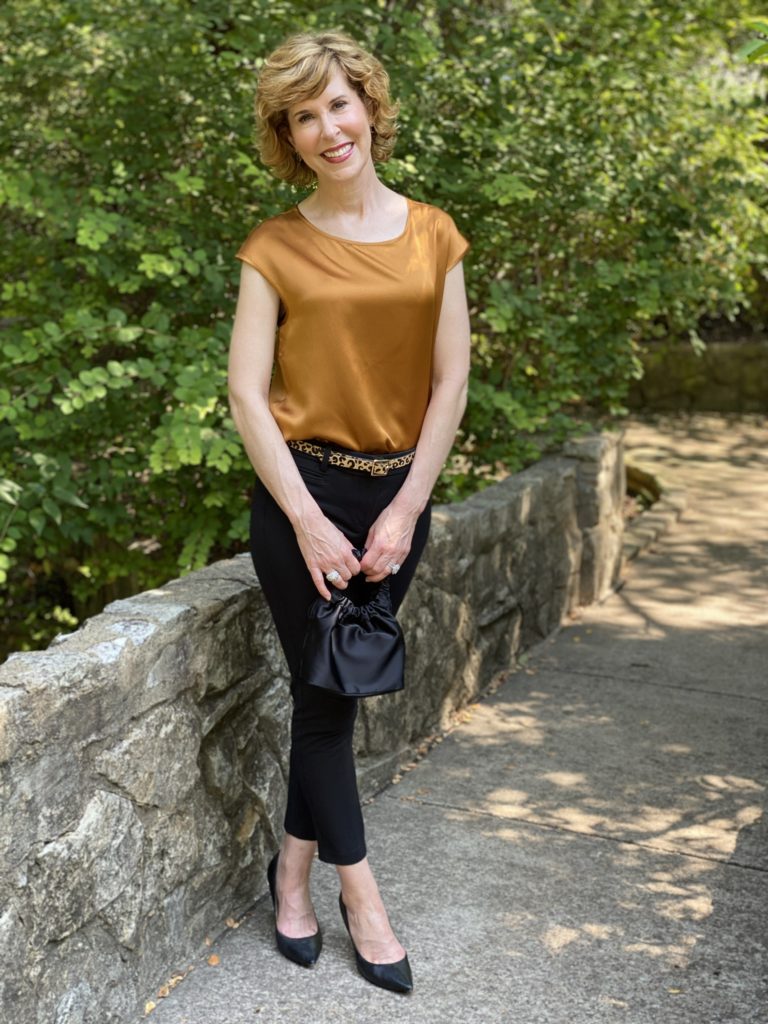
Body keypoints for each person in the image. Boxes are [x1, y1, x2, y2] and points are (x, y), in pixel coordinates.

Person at [228, 29, 470, 994]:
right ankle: (360, 900)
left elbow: (451, 383)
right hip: (303, 500)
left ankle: (290, 873)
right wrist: (308, 522)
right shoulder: (274, 246)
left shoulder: (434, 233)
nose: (329, 128)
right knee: (325, 709)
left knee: (331, 694)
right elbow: (249, 394)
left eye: (339, 103)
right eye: (304, 116)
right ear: (287, 137)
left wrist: (407, 509)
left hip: (395, 502)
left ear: (369, 104)